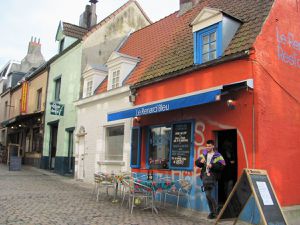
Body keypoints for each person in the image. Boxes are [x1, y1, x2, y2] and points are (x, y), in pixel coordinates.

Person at [195, 140, 226, 219]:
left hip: (213, 177)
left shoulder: (218, 155)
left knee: (208, 194)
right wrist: (200, 162)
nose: (207, 147)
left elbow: (222, 166)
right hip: (205, 177)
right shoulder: (204, 154)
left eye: (209, 146)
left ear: (213, 146)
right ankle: (213, 212)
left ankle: (214, 211)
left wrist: (212, 166)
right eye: (207, 146)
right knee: (207, 195)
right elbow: (197, 163)